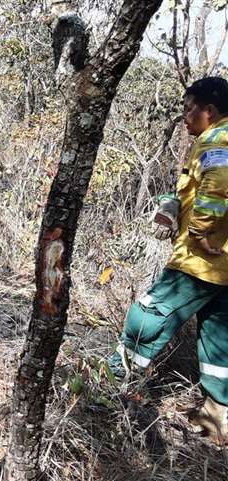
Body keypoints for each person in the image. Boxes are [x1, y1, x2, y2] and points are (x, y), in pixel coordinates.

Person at [108, 76, 228, 442]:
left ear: (208, 110)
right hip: (223, 264)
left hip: (202, 260)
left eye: (188, 109)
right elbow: (200, 186)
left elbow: (220, 182)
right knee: (217, 340)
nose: (184, 117)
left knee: (149, 312)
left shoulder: (218, 139)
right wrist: (172, 205)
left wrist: (199, 230)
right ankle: (217, 420)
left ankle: (110, 386)